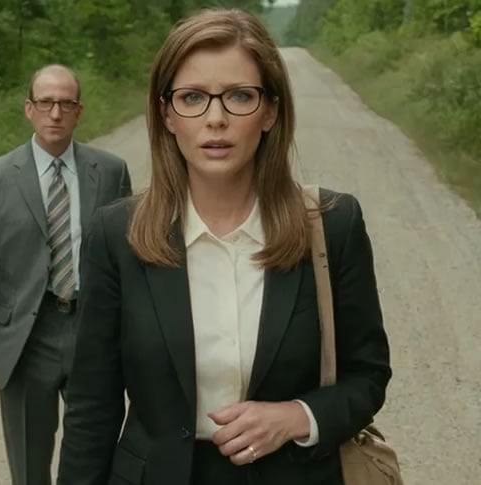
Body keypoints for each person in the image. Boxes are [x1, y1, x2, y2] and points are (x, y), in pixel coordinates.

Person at [57, 8, 391, 485]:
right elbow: (92, 405)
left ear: (271, 111)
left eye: (239, 96)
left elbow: (367, 375)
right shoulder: (117, 235)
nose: (216, 119)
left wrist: (297, 417)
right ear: (167, 114)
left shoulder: (333, 225)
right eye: (192, 97)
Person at [0, 64, 132, 485]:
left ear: (79, 111)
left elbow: (129, 266)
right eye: (46, 102)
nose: (55, 113)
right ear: (29, 109)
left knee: (94, 458)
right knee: (28, 465)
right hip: (25, 340)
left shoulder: (111, 172)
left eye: (66, 104)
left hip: (93, 333)